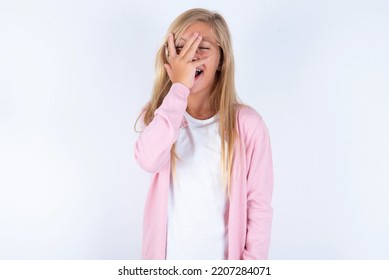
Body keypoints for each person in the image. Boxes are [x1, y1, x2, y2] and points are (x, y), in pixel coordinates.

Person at [134, 8, 273, 260]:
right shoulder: (160, 116)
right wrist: (178, 89)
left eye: (203, 47)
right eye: (181, 47)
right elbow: (147, 159)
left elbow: (258, 208)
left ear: (221, 60)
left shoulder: (248, 125)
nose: (190, 56)